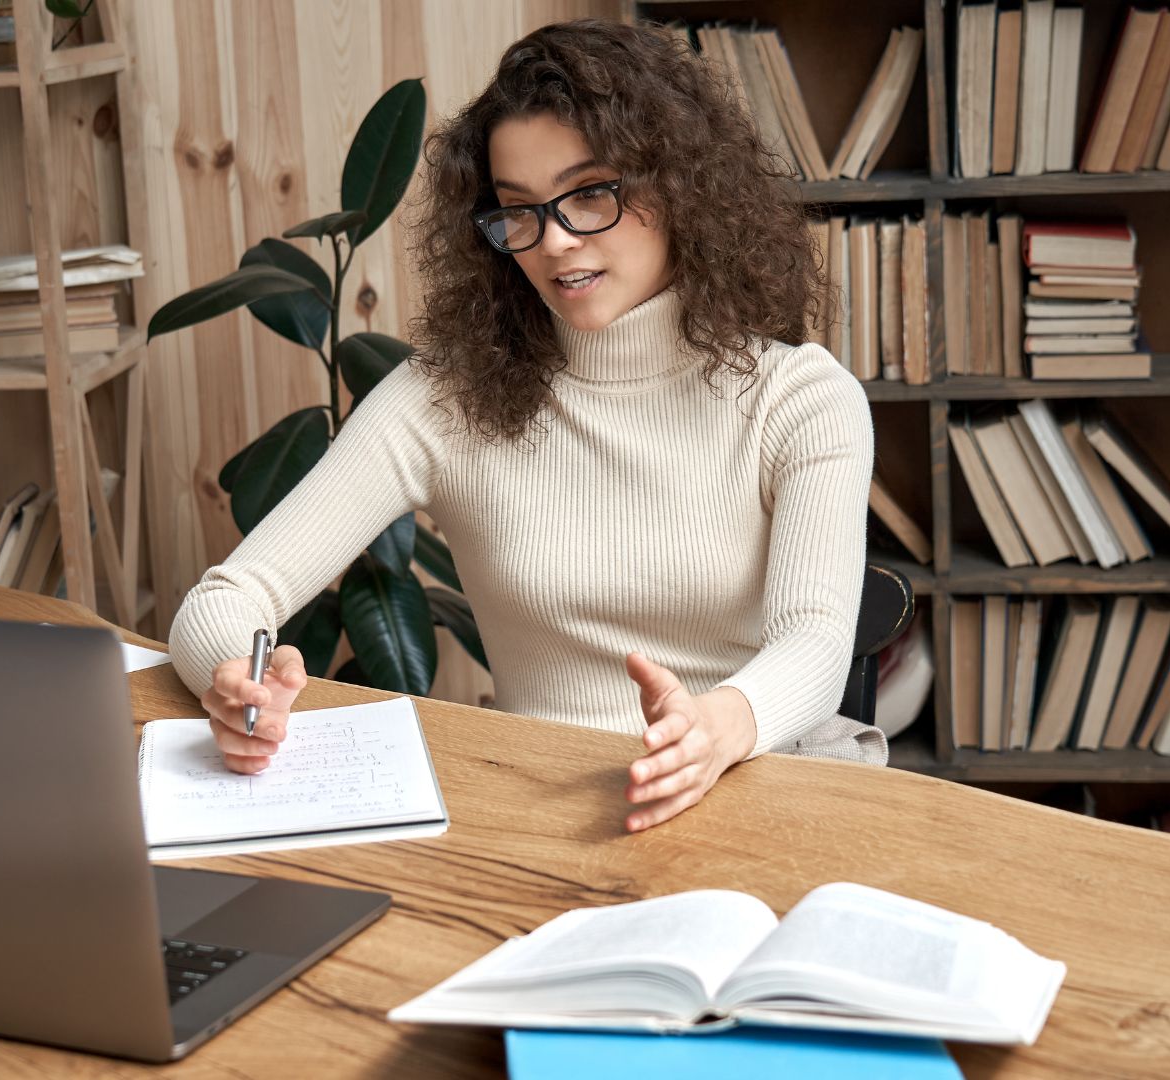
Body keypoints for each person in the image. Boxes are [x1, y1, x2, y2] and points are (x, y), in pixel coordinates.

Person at [169, 18, 879, 833]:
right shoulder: (442, 399)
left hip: (753, 793)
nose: (556, 243)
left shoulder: (798, 398)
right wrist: (235, 682)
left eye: (590, 194)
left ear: (680, 185)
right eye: (520, 211)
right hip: (541, 817)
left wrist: (714, 730)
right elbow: (227, 599)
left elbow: (816, 644)